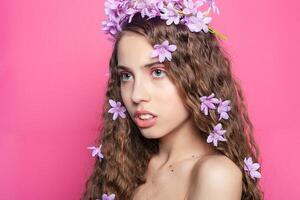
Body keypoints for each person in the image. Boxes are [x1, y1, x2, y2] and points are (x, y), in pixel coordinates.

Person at [82, 1, 263, 199]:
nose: (136, 95)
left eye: (157, 72)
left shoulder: (214, 174)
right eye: (126, 76)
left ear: (196, 76)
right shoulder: (126, 167)